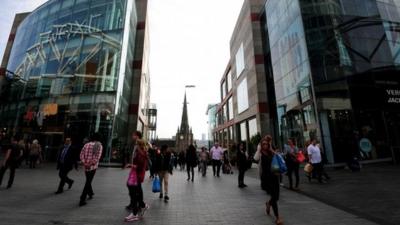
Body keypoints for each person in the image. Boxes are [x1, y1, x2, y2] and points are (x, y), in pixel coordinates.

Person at [254, 135, 283, 225]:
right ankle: (277, 217)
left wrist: (272, 150)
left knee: (276, 197)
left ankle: (268, 203)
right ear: (261, 145)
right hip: (266, 178)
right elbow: (255, 159)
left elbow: (279, 158)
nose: (265, 145)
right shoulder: (261, 154)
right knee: (274, 197)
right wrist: (259, 150)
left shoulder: (271, 152)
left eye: (266, 144)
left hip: (274, 176)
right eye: (263, 144)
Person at [125, 139, 149, 222]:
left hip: (137, 176)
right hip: (135, 175)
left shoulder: (141, 154)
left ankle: (134, 214)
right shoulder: (139, 153)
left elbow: (140, 166)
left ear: (139, 145)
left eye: (136, 144)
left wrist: (131, 165)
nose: (135, 145)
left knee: (134, 194)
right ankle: (143, 205)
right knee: (134, 193)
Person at [79, 133, 103, 206]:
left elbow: (81, 154)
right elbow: (97, 157)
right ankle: (82, 198)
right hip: (92, 167)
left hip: (86, 166)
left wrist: (84, 163)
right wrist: (90, 164)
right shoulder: (99, 145)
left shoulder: (86, 145)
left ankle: (90, 193)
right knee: (88, 182)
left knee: (88, 180)